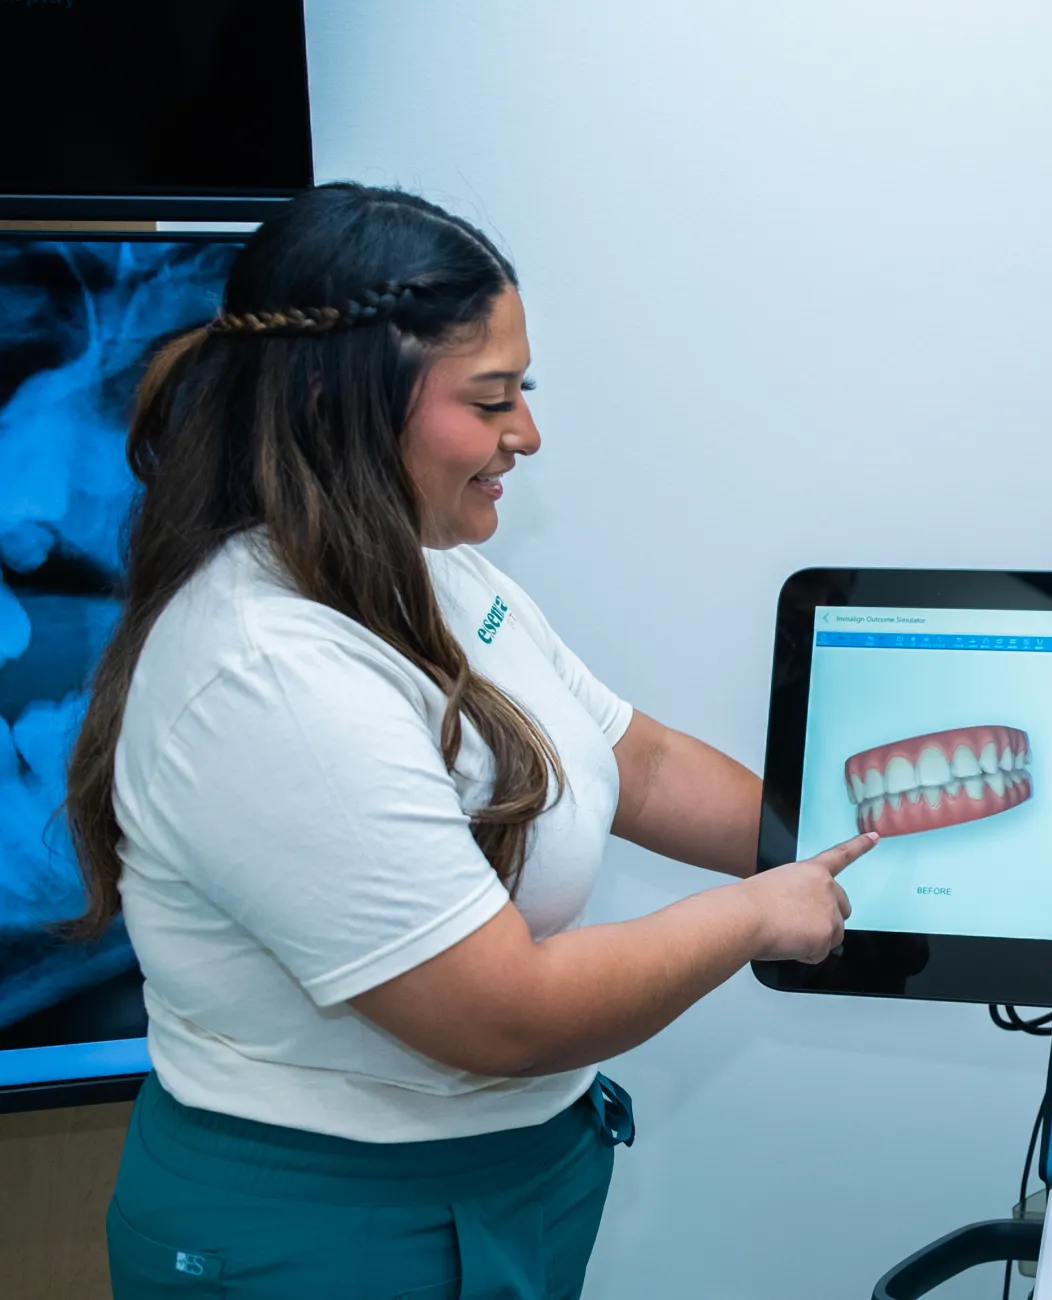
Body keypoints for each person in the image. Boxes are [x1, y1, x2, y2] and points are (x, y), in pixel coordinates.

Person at [64, 183, 874, 1298]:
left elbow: (636, 761)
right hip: (326, 1229)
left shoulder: (431, 567)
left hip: (506, 1179)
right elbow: (501, 1011)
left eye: (522, 391)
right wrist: (751, 913)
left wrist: (881, 856)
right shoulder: (265, 672)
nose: (526, 435)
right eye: (490, 399)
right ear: (334, 402)